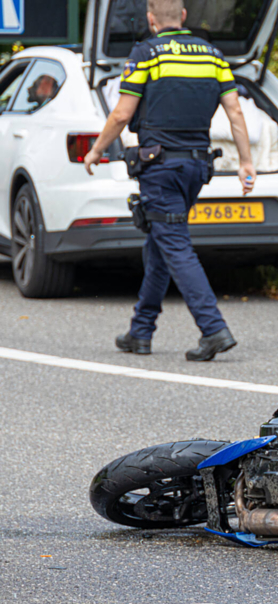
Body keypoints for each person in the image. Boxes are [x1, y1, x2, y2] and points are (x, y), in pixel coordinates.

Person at [84, 0, 256, 361]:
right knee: (161, 243)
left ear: (150, 19)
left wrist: (97, 150)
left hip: (160, 167)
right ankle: (140, 332)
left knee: (174, 244)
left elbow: (122, 113)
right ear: (182, 17)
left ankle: (213, 329)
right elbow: (235, 110)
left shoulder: (146, 54)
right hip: (196, 169)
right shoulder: (212, 55)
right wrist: (245, 161)